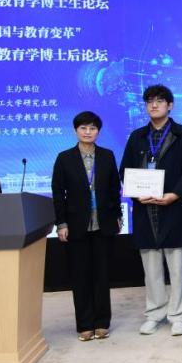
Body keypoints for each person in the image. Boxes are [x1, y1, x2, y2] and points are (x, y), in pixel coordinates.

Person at [120, 84, 182, 336]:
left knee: (178, 268)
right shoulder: (137, 137)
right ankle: (155, 313)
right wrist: (136, 193)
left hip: (175, 209)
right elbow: (125, 171)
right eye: (149, 101)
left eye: (159, 101)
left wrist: (175, 194)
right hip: (145, 211)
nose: (153, 105)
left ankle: (178, 315)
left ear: (170, 105)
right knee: (151, 270)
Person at [51, 111, 122, 341]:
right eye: (83, 128)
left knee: (102, 275)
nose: (88, 132)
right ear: (76, 131)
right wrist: (61, 223)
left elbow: (114, 189)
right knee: (80, 276)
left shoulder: (107, 156)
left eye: (92, 128)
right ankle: (84, 324)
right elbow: (57, 193)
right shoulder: (64, 158)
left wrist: (118, 215)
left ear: (98, 131)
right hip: (75, 225)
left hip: (103, 224)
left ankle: (102, 322)